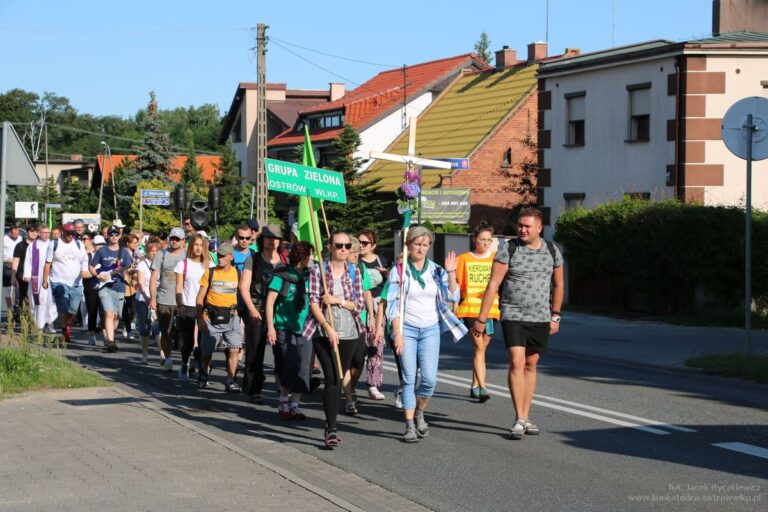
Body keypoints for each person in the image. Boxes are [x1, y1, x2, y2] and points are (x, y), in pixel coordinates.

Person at [474, 207, 564, 440]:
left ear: (538, 228)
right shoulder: (509, 249)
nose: (522, 229)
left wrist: (555, 315)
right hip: (513, 315)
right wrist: (482, 319)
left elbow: (558, 285)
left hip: (540, 317)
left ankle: (526, 415)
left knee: (531, 365)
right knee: (516, 362)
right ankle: (518, 418)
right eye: (520, 225)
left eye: (527, 226)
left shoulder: (552, 250)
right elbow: (493, 284)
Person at [386, 226, 466, 443]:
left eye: (425, 245)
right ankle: (409, 425)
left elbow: (452, 295)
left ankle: (420, 412)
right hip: (407, 330)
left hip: (430, 329)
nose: (420, 248)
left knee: (429, 380)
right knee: (409, 378)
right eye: (416, 244)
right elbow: (392, 305)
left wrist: (451, 273)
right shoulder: (399, 271)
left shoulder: (437, 270)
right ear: (408, 245)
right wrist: (397, 333)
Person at [303, 229, 365, 448]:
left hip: (349, 332)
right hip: (322, 332)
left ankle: (331, 424)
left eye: (347, 246)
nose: (343, 250)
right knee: (330, 376)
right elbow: (312, 302)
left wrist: (337, 300)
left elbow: (359, 305)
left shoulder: (354, 272)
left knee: (339, 377)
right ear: (330, 247)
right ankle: (331, 429)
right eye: (339, 245)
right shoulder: (318, 270)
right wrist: (327, 326)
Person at [265, 241, 313, 420]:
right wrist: (271, 327)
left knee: (304, 368)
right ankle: (283, 399)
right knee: (291, 364)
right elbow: (270, 301)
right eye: (311, 255)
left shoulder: (312, 276)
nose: (313, 259)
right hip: (284, 327)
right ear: (302, 256)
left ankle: (295, 405)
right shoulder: (282, 274)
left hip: (306, 328)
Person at [239, 224, 286, 401]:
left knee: (281, 350)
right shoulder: (254, 259)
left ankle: (283, 387)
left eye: (276, 238)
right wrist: (251, 309)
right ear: (262, 239)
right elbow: (244, 287)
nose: (272, 241)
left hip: (277, 310)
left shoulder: (284, 263)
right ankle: (253, 388)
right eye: (269, 237)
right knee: (255, 350)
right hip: (257, 307)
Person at [455, 221, 500, 403]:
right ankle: (482, 386)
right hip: (470, 310)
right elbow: (456, 285)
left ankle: (474, 385)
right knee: (479, 347)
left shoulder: (496, 259)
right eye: (482, 239)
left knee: (481, 349)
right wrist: (454, 305)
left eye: (489, 240)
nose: (485, 243)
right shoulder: (464, 259)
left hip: (491, 310)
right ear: (474, 239)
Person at [196, 242, 242, 392]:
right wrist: (200, 319)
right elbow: (200, 298)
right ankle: (204, 370)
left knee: (234, 349)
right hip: (211, 318)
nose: (219, 258)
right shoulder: (209, 273)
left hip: (232, 317)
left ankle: (230, 380)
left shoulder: (237, 273)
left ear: (231, 257)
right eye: (218, 255)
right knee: (207, 352)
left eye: (223, 256)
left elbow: (242, 295)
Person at [343, 236, 376, 411]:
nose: (356, 255)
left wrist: (371, 315)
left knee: (358, 361)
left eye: (357, 252)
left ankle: (351, 387)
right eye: (353, 252)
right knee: (345, 361)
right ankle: (349, 399)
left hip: (360, 320)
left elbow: (367, 293)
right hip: (341, 321)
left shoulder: (360, 268)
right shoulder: (338, 269)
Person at [89, 225, 135, 352]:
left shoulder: (124, 252)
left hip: (119, 287)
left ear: (120, 236)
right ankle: (110, 341)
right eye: (111, 234)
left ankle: (111, 336)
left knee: (116, 316)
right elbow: (91, 267)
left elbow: (129, 270)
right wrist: (98, 276)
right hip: (105, 287)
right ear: (107, 236)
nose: (114, 236)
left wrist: (132, 269)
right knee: (109, 313)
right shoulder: (102, 251)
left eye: (116, 234)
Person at [42, 223, 90, 342]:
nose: (70, 236)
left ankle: (65, 322)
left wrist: (86, 271)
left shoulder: (79, 244)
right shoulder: (54, 244)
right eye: (68, 233)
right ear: (63, 232)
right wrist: (44, 280)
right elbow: (48, 263)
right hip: (58, 281)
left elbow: (85, 260)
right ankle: (64, 331)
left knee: (73, 309)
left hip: (76, 283)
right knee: (63, 307)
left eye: (73, 234)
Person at [357, 228, 389, 400]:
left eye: (365, 243)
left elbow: (392, 283)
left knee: (376, 346)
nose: (361, 245)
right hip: (360, 308)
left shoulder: (381, 260)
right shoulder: (355, 262)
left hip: (379, 308)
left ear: (373, 245)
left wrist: (387, 274)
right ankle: (350, 382)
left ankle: (373, 384)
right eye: (359, 242)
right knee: (360, 348)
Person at [175, 234, 211, 380]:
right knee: (188, 341)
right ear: (191, 246)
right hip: (188, 305)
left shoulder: (210, 265)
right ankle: (184, 363)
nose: (198, 248)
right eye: (195, 244)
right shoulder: (183, 264)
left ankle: (203, 369)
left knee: (204, 341)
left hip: (205, 306)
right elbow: (178, 287)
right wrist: (180, 305)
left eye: (201, 245)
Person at [150, 227, 186, 370]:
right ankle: (169, 358)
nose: (174, 241)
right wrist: (153, 298)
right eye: (172, 238)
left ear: (183, 241)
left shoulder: (186, 255)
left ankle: (185, 360)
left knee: (184, 332)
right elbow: (154, 278)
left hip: (183, 300)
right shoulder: (161, 255)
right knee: (166, 332)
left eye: (177, 239)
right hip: (164, 299)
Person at [22, 226, 56, 332]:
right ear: (39, 233)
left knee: (51, 300)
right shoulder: (33, 246)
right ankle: (38, 324)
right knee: (38, 301)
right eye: (44, 232)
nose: (46, 234)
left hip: (52, 276)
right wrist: (27, 274)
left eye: (48, 232)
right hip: (37, 276)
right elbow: (28, 261)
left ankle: (50, 322)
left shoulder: (54, 244)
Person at [11, 224, 37, 322]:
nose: (33, 233)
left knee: (34, 296)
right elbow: (16, 261)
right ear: (27, 233)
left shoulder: (39, 244)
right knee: (23, 296)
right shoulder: (20, 246)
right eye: (31, 231)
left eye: (35, 231)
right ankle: (22, 316)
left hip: (36, 275)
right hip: (22, 274)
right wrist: (13, 276)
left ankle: (32, 316)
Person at [82, 233, 102, 346]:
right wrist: (97, 274)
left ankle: (108, 336)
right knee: (92, 311)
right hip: (91, 287)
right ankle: (91, 333)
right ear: (93, 245)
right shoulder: (88, 256)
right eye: (97, 244)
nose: (100, 247)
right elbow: (84, 274)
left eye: (102, 244)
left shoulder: (107, 256)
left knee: (107, 312)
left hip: (105, 287)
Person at [3, 223, 22, 314]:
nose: (16, 236)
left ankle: (17, 309)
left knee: (18, 288)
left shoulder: (21, 239)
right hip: (6, 266)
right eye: (14, 234)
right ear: (10, 233)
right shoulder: (4, 239)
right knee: (7, 289)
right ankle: (9, 308)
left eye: (17, 234)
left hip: (17, 267)